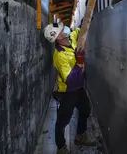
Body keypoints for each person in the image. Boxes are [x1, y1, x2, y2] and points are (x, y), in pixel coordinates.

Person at [43, 22, 96, 154]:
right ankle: (61, 147)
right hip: (68, 91)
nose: (64, 29)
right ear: (58, 37)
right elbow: (71, 80)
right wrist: (78, 62)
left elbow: (80, 30)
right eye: (61, 29)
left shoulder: (71, 38)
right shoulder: (59, 56)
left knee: (85, 110)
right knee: (63, 121)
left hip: (79, 88)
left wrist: (87, 18)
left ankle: (80, 136)